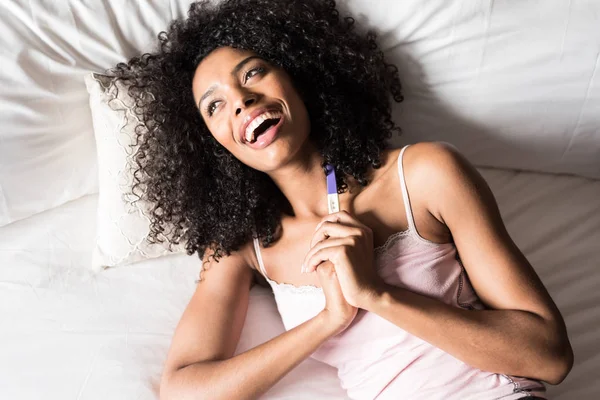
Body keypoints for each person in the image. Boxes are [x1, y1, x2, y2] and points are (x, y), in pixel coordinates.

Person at [111, 0, 573, 399]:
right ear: (212, 145)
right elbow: (185, 389)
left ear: (298, 78)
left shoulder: (424, 174)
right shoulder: (240, 245)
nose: (241, 100)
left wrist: (377, 294)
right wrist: (329, 319)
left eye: (253, 72)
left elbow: (550, 356)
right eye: (214, 105)